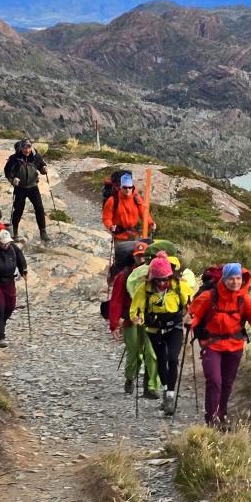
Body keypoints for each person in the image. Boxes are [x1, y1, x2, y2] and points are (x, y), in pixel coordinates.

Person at [188, 262, 251, 426]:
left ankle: (221, 414)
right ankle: (212, 418)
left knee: (227, 382)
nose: (235, 282)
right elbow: (194, 315)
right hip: (211, 344)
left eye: (238, 278)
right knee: (214, 380)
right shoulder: (208, 297)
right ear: (224, 279)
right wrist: (189, 321)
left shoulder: (244, 300)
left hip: (235, 345)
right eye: (231, 278)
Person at [129, 253, 197, 415]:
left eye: (165, 279)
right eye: (158, 280)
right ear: (152, 278)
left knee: (173, 359)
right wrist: (136, 318)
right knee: (161, 360)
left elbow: (192, 304)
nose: (161, 283)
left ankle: (170, 396)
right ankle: (166, 390)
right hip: (154, 330)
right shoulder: (144, 289)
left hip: (175, 327)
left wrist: (191, 315)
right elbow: (135, 308)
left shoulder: (179, 286)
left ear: (170, 276)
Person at [106, 242, 153, 395]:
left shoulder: (155, 274)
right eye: (138, 255)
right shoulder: (124, 276)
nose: (141, 258)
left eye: (143, 255)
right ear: (134, 256)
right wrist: (114, 324)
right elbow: (116, 301)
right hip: (129, 319)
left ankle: (150, 383)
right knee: (134, 351)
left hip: (150, 319)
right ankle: (130, 378)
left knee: (150, 351)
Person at [2, 139, 50, 243]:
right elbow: (7, 172)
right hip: (20, 188)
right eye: (24, 147)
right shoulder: (14, 158)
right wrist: (12, 179)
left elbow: (42, 166)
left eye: (28, 147)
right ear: (21, 148)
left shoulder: (35, 156)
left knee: (39, 208)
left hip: (33, 187)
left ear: (31, 147)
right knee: (18, 210)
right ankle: (14, 232)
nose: (27, 150)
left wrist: (44, 170)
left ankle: (43, 232)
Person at [102, 171, 154, 243]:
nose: (128, 190)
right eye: (125, 187)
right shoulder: (113, 200)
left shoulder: (136, 198)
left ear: (132, 187)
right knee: (121, 254)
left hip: (134, 235)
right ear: (121, 187)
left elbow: (144, 212)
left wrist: (150, 223)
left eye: (130, 187)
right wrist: (110, 226)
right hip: (119, 236)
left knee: (135, 253)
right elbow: (106, 217)